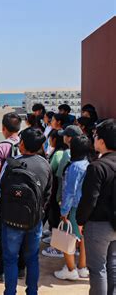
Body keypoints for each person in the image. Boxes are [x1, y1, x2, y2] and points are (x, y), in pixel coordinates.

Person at [0, 128, 53, 295]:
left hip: (12, 220)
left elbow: (0, 191)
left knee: (10, 259)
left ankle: (10, 292)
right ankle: (32, 292)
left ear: (23, 144)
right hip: (34, 220)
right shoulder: (45, 164)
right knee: (32, 259)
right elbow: (47, 194)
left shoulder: (12, 162)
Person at [0, 112, 26, 283]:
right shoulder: (26, 145)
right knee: (21, 232)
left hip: (3, 200)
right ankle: (21, 269)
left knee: (1, 236)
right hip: (22, 197)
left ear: (3, 128)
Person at [77, 119, 116, 295]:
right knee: (112, 266)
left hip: (99, 225)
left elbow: (89, 200)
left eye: (95, 136)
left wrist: (80, 220)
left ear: (102, 141)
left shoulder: (97, 167)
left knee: (98, 269)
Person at [42, 125, 83, 258]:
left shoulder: (68, 154)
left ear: (70, 138)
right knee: (78, 230)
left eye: (65, 135)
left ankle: (64, 254)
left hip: (67, 198)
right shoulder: (86, 156)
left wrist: (63, 206)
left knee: (67, 227)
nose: (63, 137)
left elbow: (60, 175)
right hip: (82, 200)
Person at [53, 135, 91, 280]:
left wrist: (64, 212)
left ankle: (70, 269)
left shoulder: (74, 167)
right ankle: (82, 267)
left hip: (73, 208)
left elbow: (70, 191)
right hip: (86, 207)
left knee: (67, 238)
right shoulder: (89, 164)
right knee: (82, 239)